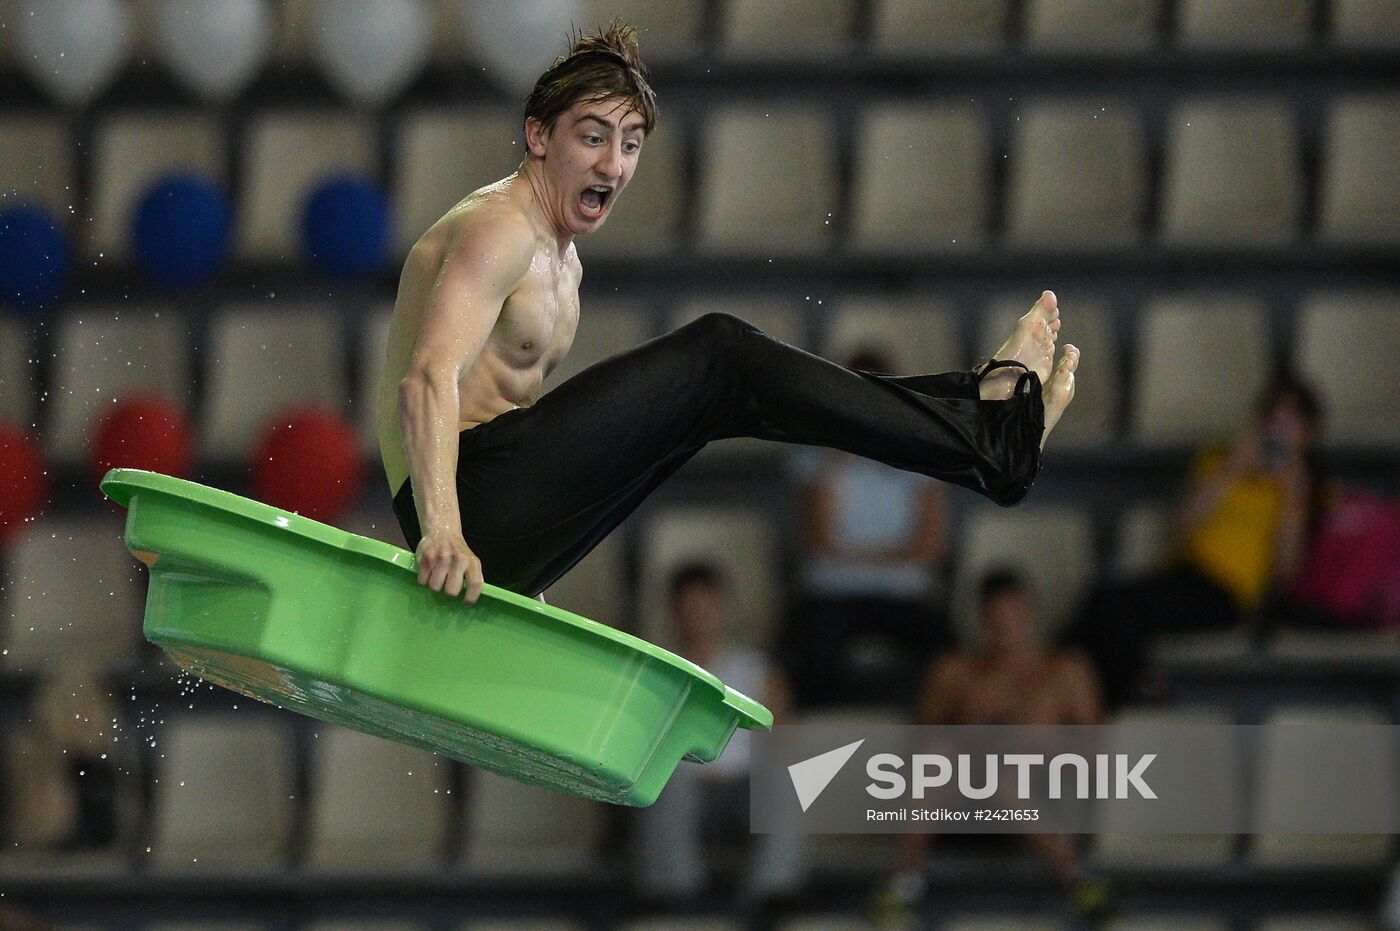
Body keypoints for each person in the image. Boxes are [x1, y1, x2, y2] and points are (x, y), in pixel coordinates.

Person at [379, 21, 1080, 607]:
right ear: (538, 135)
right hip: (462, 497)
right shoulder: (501, 229)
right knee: (722, 354)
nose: (613, 166)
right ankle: (983, 426)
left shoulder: (564, 259)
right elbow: (427, 379)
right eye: (592, 138)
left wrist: (524, 556)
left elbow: (534, 432)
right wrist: (445, 532)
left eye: (630, 145)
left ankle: (979, 419)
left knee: (718, 403)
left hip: (495, 515)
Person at [1061, 370, 1329, 707]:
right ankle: (1112, 686)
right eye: (1272, 418)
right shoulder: (1218, 460)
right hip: (1183, 576)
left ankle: (1116, 684)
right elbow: (1182, 526)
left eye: (1290, 422)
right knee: (1100, 615)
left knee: (1106, 607)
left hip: (1228, 595)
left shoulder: (1307, 491)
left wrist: (1293, 497)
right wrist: (1233, 468)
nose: (1278, 430)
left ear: (1308, 434)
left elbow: (1285, 575)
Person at [875, 569, 1110, 925]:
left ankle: (1079, 883)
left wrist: (1031, 749)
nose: (1006, 628)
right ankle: (902, 886)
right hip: (962, 806)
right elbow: (918, 745)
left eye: (1014, 616)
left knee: (1006, 775)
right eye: (995, 618)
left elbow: (1094, 754)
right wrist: (974, 741)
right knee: (938, 757)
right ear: (980, 619)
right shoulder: (953, 671)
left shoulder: (1064, 670)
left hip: (1040, 800)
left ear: (1030, 613)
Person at [783, 345, 953, 708]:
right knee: (807, 655)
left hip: (903, 595)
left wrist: (853, 556)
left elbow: (930, 545)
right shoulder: (814, 453)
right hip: (833, 594)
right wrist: (837, 456)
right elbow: (818, 539)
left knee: (945, 649)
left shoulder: (920, 450)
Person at [632, 561, 805, 904]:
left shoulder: (757, 670)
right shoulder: (655, 672)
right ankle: (675, 901)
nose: (698, 616)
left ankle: (773, 898)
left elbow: (784, 741)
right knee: (666, 783)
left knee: (786, 780)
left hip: (742, 791)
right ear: (674, 612)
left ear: (723, 609)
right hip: (679, 792)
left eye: (706, 605)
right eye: (689, 607)